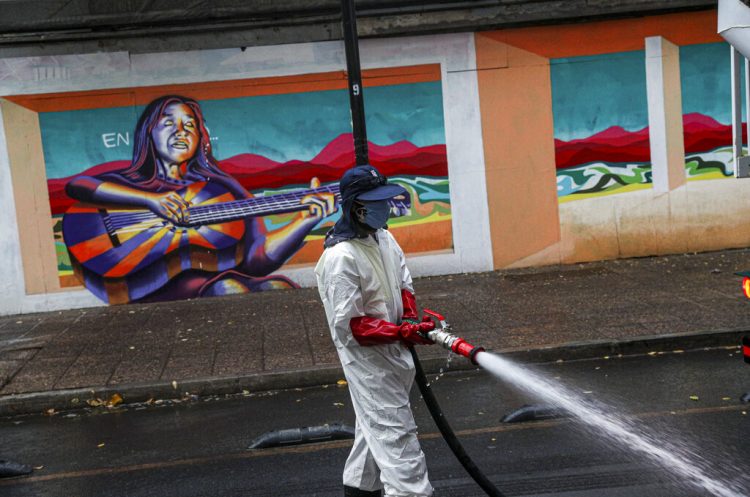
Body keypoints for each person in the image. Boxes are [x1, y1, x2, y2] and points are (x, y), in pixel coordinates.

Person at [66, 94, 337, 301]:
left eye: (190, 125)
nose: (180, 131)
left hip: (217, 281)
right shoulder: (132, 184)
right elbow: (80, 185)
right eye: (168, 123)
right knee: (229, 289)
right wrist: (150, 200)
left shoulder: (221, 187)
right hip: (158, 289)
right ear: (148, 133)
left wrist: (304, 221)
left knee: (276, 287)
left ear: (199, 138)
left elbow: (257, 259)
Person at [314, 165, 436, 497]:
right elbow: (353, 326)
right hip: (370, 366)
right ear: (355, 206)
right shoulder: (341, 258)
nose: (385, 208)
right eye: (376, 202)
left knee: (371, 440)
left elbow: (403, 283)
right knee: (400, 450)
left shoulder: (384, 237)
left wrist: (409, 318)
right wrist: (401, 332)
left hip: (395, 356)